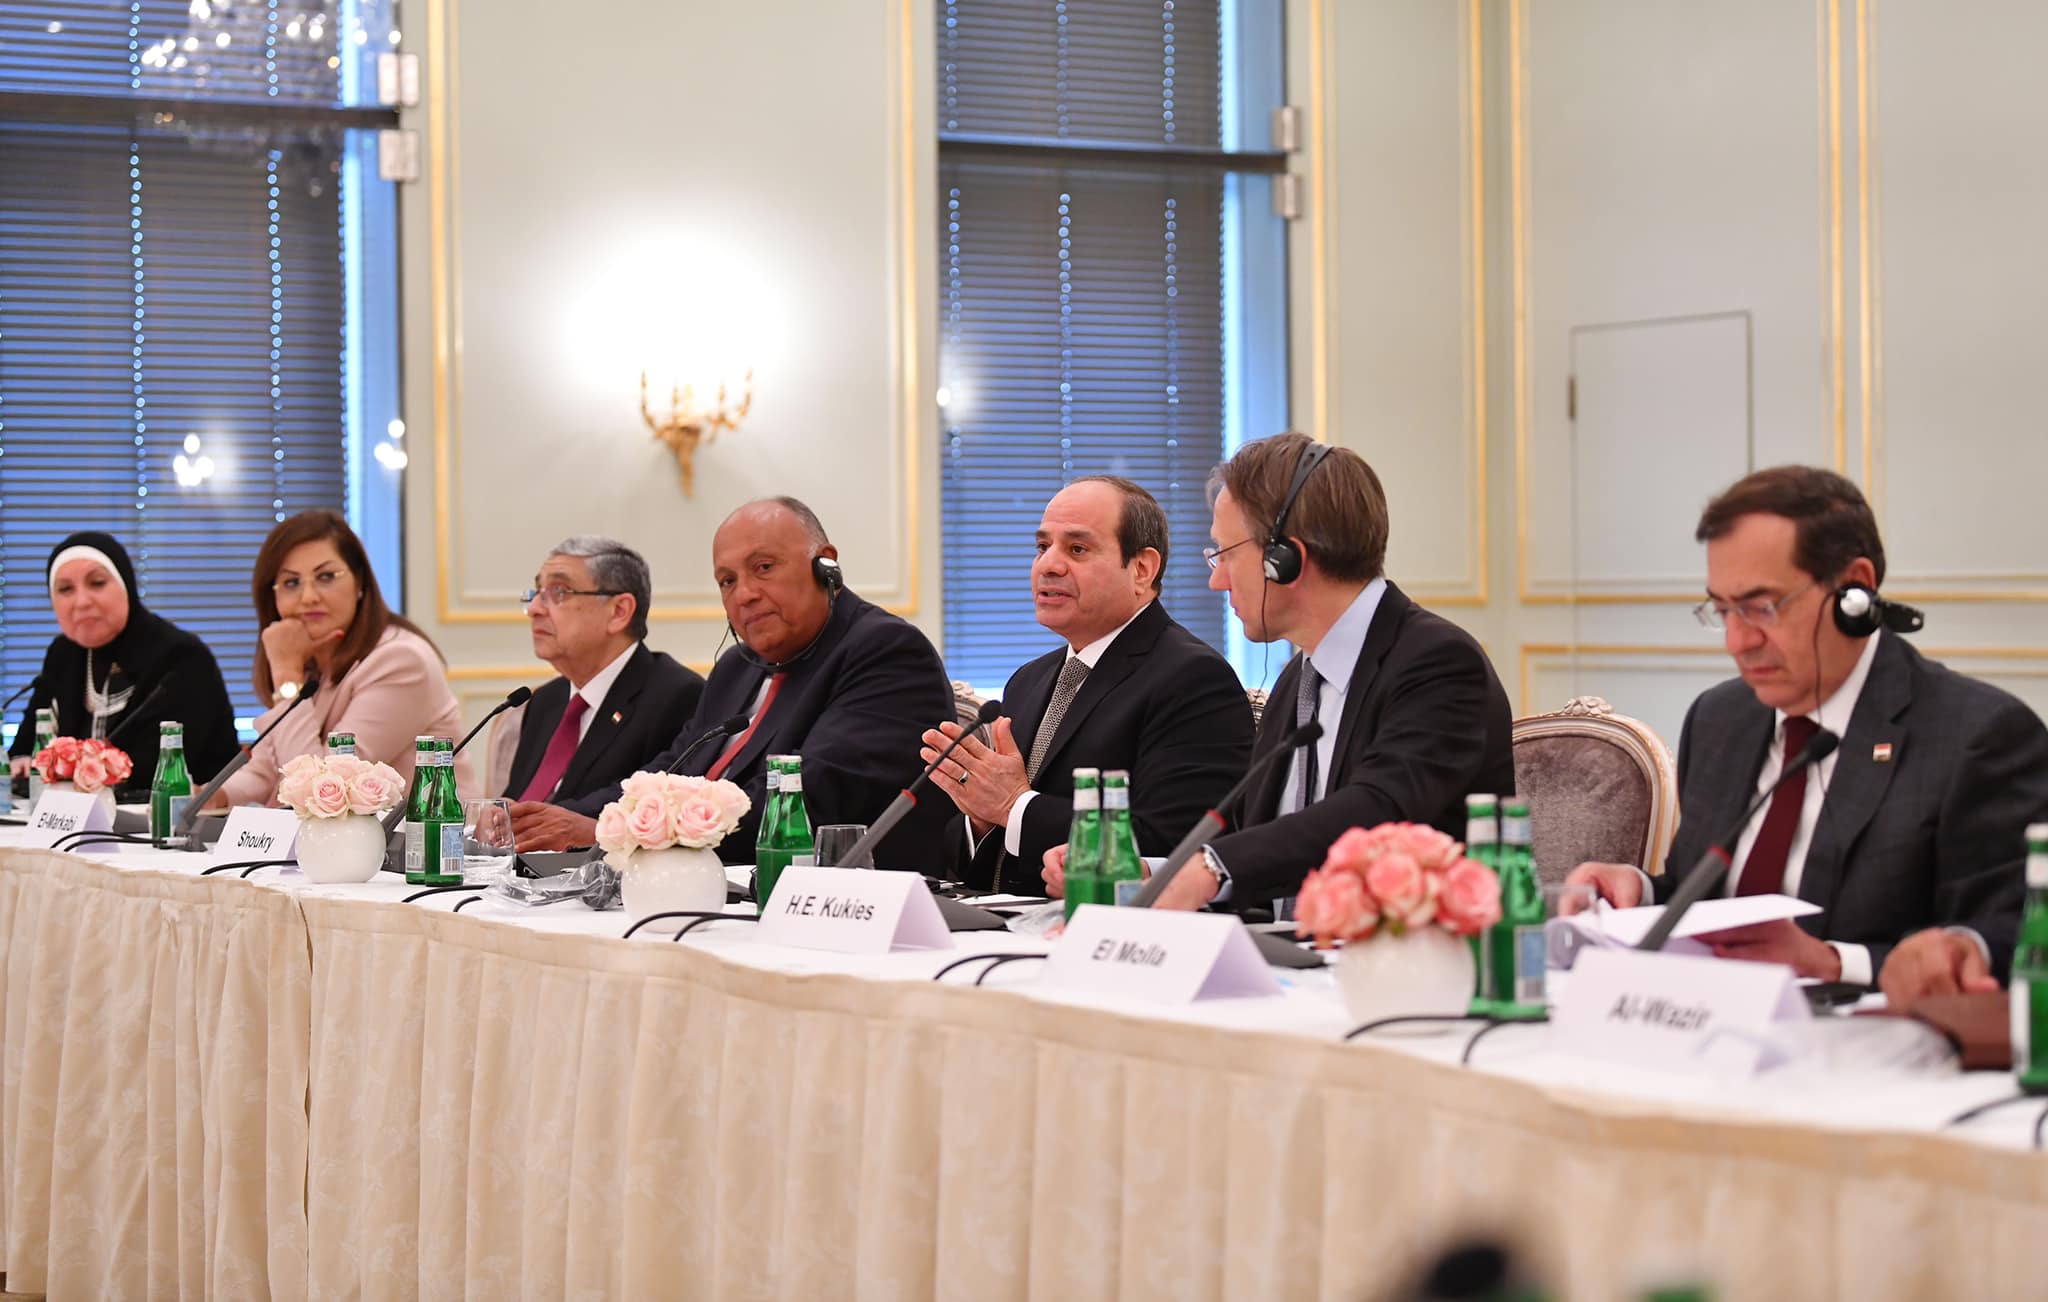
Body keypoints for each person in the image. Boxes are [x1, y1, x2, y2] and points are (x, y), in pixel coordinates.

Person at [1564, 467, 2048, 1002]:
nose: (1737, 641)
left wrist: (1833, 962)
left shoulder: (1978, 737)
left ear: (1855, 590)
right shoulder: (1720, 719)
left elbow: (2010, 944)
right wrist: (1641, 891)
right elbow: (1714, 900)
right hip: (1708, 1026)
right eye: (1723, 610)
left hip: (1871, 1041)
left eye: (1762, 607)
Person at [1107, 432, 1516, 912]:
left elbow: (1376, 811)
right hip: (1286, 952)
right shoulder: (1297, 681)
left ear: (1285, 559)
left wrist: (1213, 867)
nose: (1217, 580)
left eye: (1225, 554)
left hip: (1408, 950)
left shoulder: (1438, 664)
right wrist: (1152, 873)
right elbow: (1254, 842)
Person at [512, 498, 957, 870]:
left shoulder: (884, 651)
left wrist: (612, 833)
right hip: (714, 891)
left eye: (763, 567)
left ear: (826, 565)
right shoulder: (737, 666)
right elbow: (669, 773)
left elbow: (803, 803)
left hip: (844, 910)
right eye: (728, 580)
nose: (743, 594)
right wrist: (558, 819)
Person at [918, 476, 1253, 893]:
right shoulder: (1027, 680)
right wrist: (982, 819)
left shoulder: (1192, 678)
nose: (1048, 565)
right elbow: (987, 857)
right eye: (1042, 547)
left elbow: (1176, 846)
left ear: (1142, 570)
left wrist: (1013, 806)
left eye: (1077, 549)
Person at [212, 509, 471, 807]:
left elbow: (324, 788)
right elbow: (266, 771)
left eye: (325, 577)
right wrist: (209, 797)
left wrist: (285, 675)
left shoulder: (402, 661)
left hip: (430, 835)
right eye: (292, 583)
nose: (308, 597)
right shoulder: (311, 664)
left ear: (360, 582)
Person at [7, 531, 239, 795]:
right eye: (65, 589)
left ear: (126, 585)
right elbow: (26, 747)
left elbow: (153, 770)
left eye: (97, 583)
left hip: (182, 815)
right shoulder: (64, 653)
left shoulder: (181, 656)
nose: (82, 601)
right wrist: (22, 763)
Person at [501, 536, 704, 806]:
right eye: (537, 592)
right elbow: (515, 803)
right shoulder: (546, 700)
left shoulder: (676, 697)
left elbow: (641, 810)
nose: (535, 609)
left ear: (619, 612)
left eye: (559, 591)